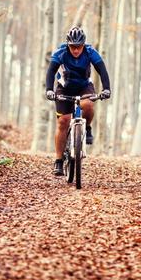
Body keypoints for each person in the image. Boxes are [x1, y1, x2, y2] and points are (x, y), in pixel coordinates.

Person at [45, 26, 111, 176]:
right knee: (63, 121)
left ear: (83, 45)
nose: (76, 50)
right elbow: (51, 71)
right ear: (68, 45)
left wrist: (107, 88)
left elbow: (102, 70)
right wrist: (49, 89)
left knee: (87, 104)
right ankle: (59, 161)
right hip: (64, 87)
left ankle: (86, 127)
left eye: (78, 47)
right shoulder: (60, 52)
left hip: (83, 86)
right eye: (73, 47)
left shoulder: (89, 52)